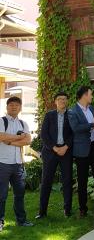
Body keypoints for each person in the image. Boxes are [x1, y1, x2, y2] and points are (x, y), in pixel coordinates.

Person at [68, 86, 94, 216]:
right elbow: (76, 128)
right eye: (90, 94)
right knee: (82, 179)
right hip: (82, 150)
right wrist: (93, 125)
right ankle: (82, 208)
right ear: (84, 95)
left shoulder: (91, 108)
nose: (92, 96)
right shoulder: (72, 111)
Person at [37, 92, 73, 219]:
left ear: (67, 101)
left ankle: (67, 210)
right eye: (60, 99)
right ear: (55, 101)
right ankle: (42, 212)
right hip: (50, 152)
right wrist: (54, 148)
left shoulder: (71, 115)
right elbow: (44, 134)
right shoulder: (49, 115)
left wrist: (65, 147)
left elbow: (73, 134)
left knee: (67, 181)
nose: (62, 101)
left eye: (64, 99)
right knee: (46, 181)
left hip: (66, 152)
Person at [0, 97, 33, 231]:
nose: (14, 107)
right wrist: (19, 137)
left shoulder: (23, 123)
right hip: (3, 163)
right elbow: (1, 137)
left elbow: (28, 140)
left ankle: (21, 220)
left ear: (20, 108)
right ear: (7, 107)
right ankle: (0, 222)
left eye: (17, 105)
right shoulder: (2, 121)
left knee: (20, 194)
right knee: (1, 195)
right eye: (11, 105)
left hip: (18, 164)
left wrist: (11, 141)